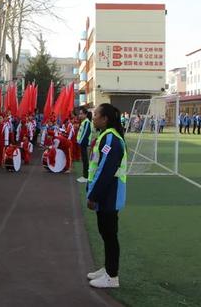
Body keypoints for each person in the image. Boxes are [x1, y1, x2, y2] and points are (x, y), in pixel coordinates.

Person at [86, 103, 127, 289]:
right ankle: (108, 268)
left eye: (95, 115)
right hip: (106, 193)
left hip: (109, 194)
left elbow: (105, 170)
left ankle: (112, 276)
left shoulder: (111, 139)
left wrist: (93, 195)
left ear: (105, 119)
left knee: (110, 234)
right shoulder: (105, 136)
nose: (93, 118)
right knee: (106, 233)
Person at [76, 109, 92, 183]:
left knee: (85, 160)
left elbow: (85, 134)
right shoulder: (84, 122)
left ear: (85, 114)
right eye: (79, 113)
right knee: (84, 160)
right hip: (82, 143)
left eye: (81, 113)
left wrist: (80, 142)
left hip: (84, 144)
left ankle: (86, 176)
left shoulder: (87, 122)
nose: (80, 115)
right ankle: (85, 175)